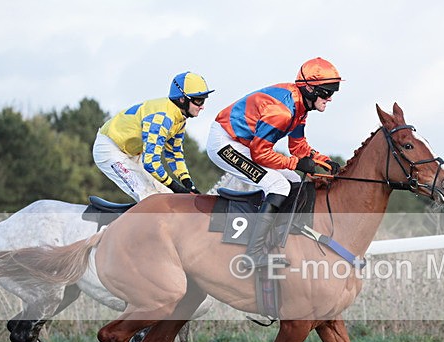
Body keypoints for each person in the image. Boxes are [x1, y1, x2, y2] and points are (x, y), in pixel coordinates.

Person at [206, 57, 343, 270]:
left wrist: (323, 160)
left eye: (333, 91)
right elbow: (260, 154)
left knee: (292, 178)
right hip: (225, 142)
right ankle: (252, 254)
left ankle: (279, 236)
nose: (331, 98)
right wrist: (295, 163)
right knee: (278, 185)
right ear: (310, 89)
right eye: (327, 92)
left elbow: (298, 146)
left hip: (244, 142)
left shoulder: (300, 106)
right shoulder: (282, 112)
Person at [93, 71, 214, 201]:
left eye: (203, 100)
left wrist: (188, 184)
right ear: (182, 99)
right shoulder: (161, 118)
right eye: (198, 101)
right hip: (109, 149)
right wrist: (176, 187)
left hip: (133, 153)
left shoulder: (179, 118)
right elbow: (151, 162)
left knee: (169, 196)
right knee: (149, 198)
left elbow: (174, 154)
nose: (202, 107)